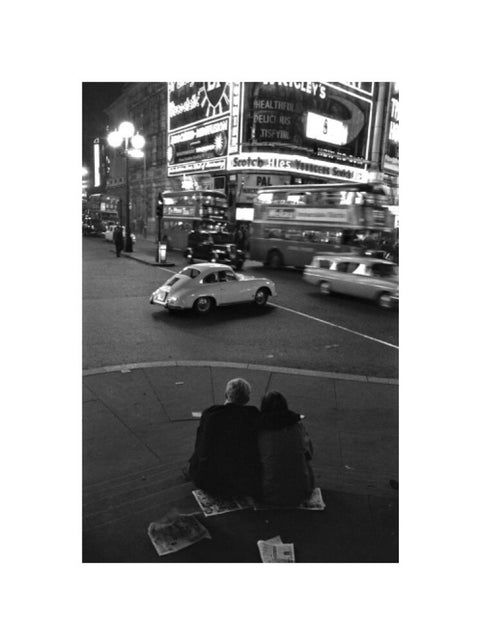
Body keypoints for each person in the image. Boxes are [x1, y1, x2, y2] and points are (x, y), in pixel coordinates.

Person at [188, 378, 261, 497]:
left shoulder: (211, 414)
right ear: (247, 399)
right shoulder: (252, 415)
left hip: (209, 480)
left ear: (226, 394)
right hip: (243, 481)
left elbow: (201, 445)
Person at [256, 391, 315, 507]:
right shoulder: (297, 426)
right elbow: (310, 453)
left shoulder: (260, 429)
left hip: (269, 493)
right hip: (301, 491)